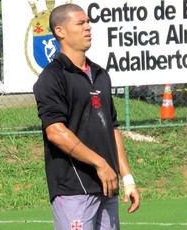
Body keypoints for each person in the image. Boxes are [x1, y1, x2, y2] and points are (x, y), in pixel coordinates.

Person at [33, 3, 140, 230]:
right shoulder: (52, 77)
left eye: (88, 22)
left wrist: (127, 178)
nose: (88, 27)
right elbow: (55, 132)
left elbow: (112, 128)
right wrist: (100, 163)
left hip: (107, 186)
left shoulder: (101, 74)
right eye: (80, 23)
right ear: (60, 31)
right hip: (73, 189)